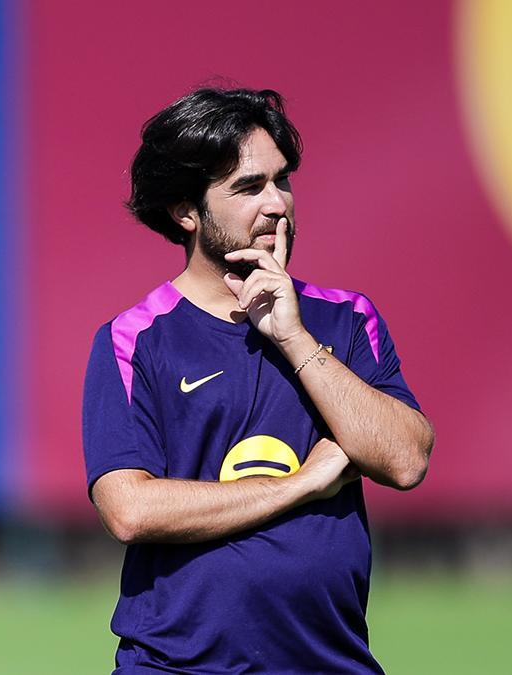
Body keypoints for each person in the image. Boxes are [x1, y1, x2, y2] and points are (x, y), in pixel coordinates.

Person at [82, 87, 435, 673]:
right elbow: (130, 510)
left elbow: (406, 460)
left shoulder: (345, 319)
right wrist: (303, 483)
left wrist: (292, 335)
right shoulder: (132, 340)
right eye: (249, 188)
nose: (278, 204)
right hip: (176, 665)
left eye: (282, 180)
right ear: (185, 210)